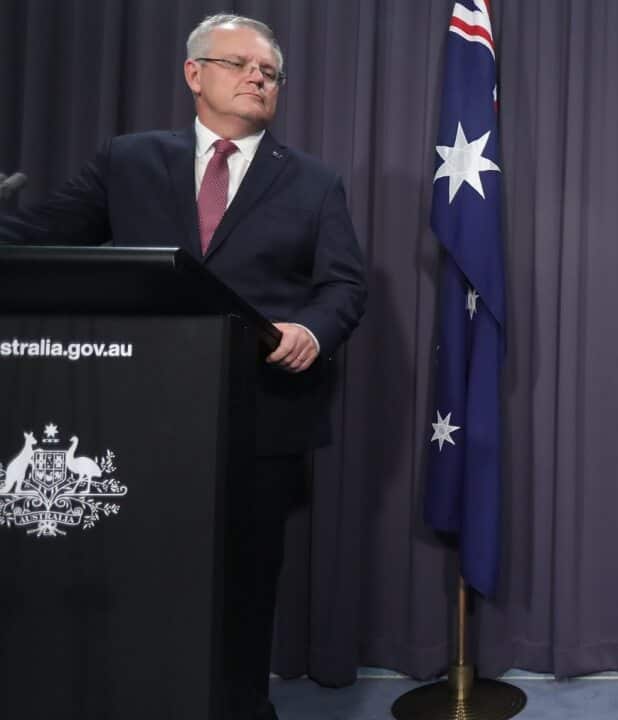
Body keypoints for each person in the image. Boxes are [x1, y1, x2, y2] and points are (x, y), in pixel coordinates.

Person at [0, 14, 367, 720]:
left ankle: (240, 705)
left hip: (262, 415)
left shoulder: (315, 184)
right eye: (241, 64)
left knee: (248, 578)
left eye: (270, 72)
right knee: (140, 570)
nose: (258, 78)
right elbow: (43, 235)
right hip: (137, 413)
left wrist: (313, 331)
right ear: (194, 74)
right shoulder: (129, 160)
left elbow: (344, 285)